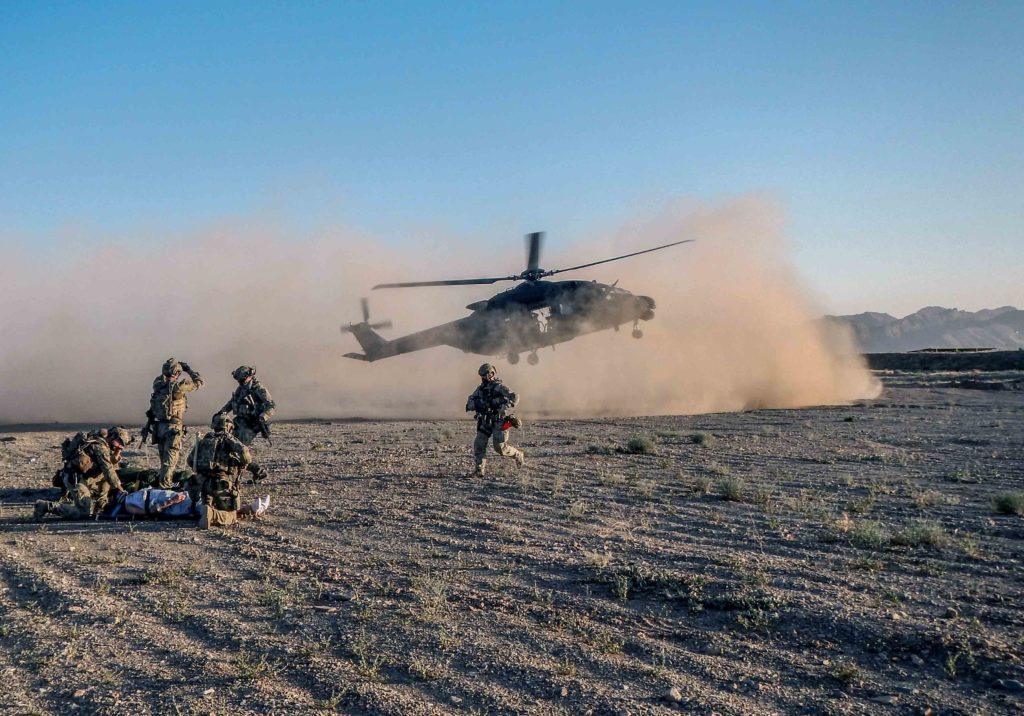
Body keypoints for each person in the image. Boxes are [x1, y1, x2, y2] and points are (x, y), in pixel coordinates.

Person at [186, 413, 268, 529]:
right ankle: (212, 515)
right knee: (232, 516)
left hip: (204, 485)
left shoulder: (204, 441)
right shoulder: (228, 441)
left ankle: (208, 509)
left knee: (209, 505)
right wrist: (245, 464)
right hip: (221, 485)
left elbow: (190, 461)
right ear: (229, 427)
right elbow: (244, 453)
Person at [35, 427, 132, 521]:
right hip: (77, 480)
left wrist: (117, 452)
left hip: (86, 478)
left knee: (107, 479)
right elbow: (108, 469)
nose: (120, 446)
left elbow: (110, 465)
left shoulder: (103, 444)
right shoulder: (100, 446)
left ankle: (100, 505)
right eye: (119, 442)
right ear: (113, 436)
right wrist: (120, 490)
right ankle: (45, 506)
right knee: (83, 513)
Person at [147, 357, 203, 489]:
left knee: (164, 461)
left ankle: (164, 484)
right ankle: (165, 487)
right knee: (170, 461)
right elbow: (199, 382)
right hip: (173, 428)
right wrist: (188, 370)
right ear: (177, 373)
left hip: (159, 427)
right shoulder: (179, 387)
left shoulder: (158, 385)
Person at [465, 363, 525, 477]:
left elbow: (515, 396)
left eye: (485, 374)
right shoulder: (480, 389)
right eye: (481, 375)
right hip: (486, 421)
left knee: (500, 448)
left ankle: (518, 455)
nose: (483, 377)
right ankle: (479, 471)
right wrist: (475, 404)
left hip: (499, 420)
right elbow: (470, 400)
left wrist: (506, 406)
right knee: (479, 444)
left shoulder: (499, 387)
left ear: (491, 374)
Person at [216, 365, 275, 445]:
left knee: (239, 444)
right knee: (224, 437)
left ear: (249, 377)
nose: (240, 382)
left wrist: (263, 416)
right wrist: (223, 411)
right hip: (240, 420)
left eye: (241, 380)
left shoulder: (259, 389)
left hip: (252, 423)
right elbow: (232, 402)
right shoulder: (241, 388)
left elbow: (271, 406)